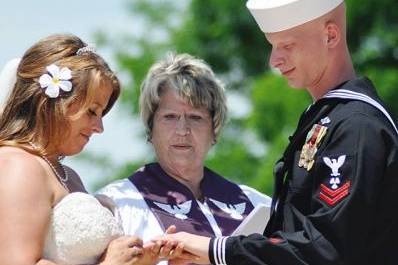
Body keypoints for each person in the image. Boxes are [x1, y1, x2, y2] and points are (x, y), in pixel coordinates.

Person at [155, 1, 398, 265]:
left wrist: (219, 250)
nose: (274, 60)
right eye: (273, 46)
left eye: (287, 45)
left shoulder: (356, 126)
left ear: (330, 35)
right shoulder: (330, 118)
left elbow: (327, 250)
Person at [0, 34, 168, 265]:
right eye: (92, 111)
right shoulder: (18, 166)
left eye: (101, 114)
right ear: (52, 102)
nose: (99, 128)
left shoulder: (69, 177)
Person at [97, 53, 271, 264]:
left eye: (195, 118)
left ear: (214, 130)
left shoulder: (258, 205)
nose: (182, 130)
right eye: (170, 117)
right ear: (151, 129)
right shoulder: (116, 206)